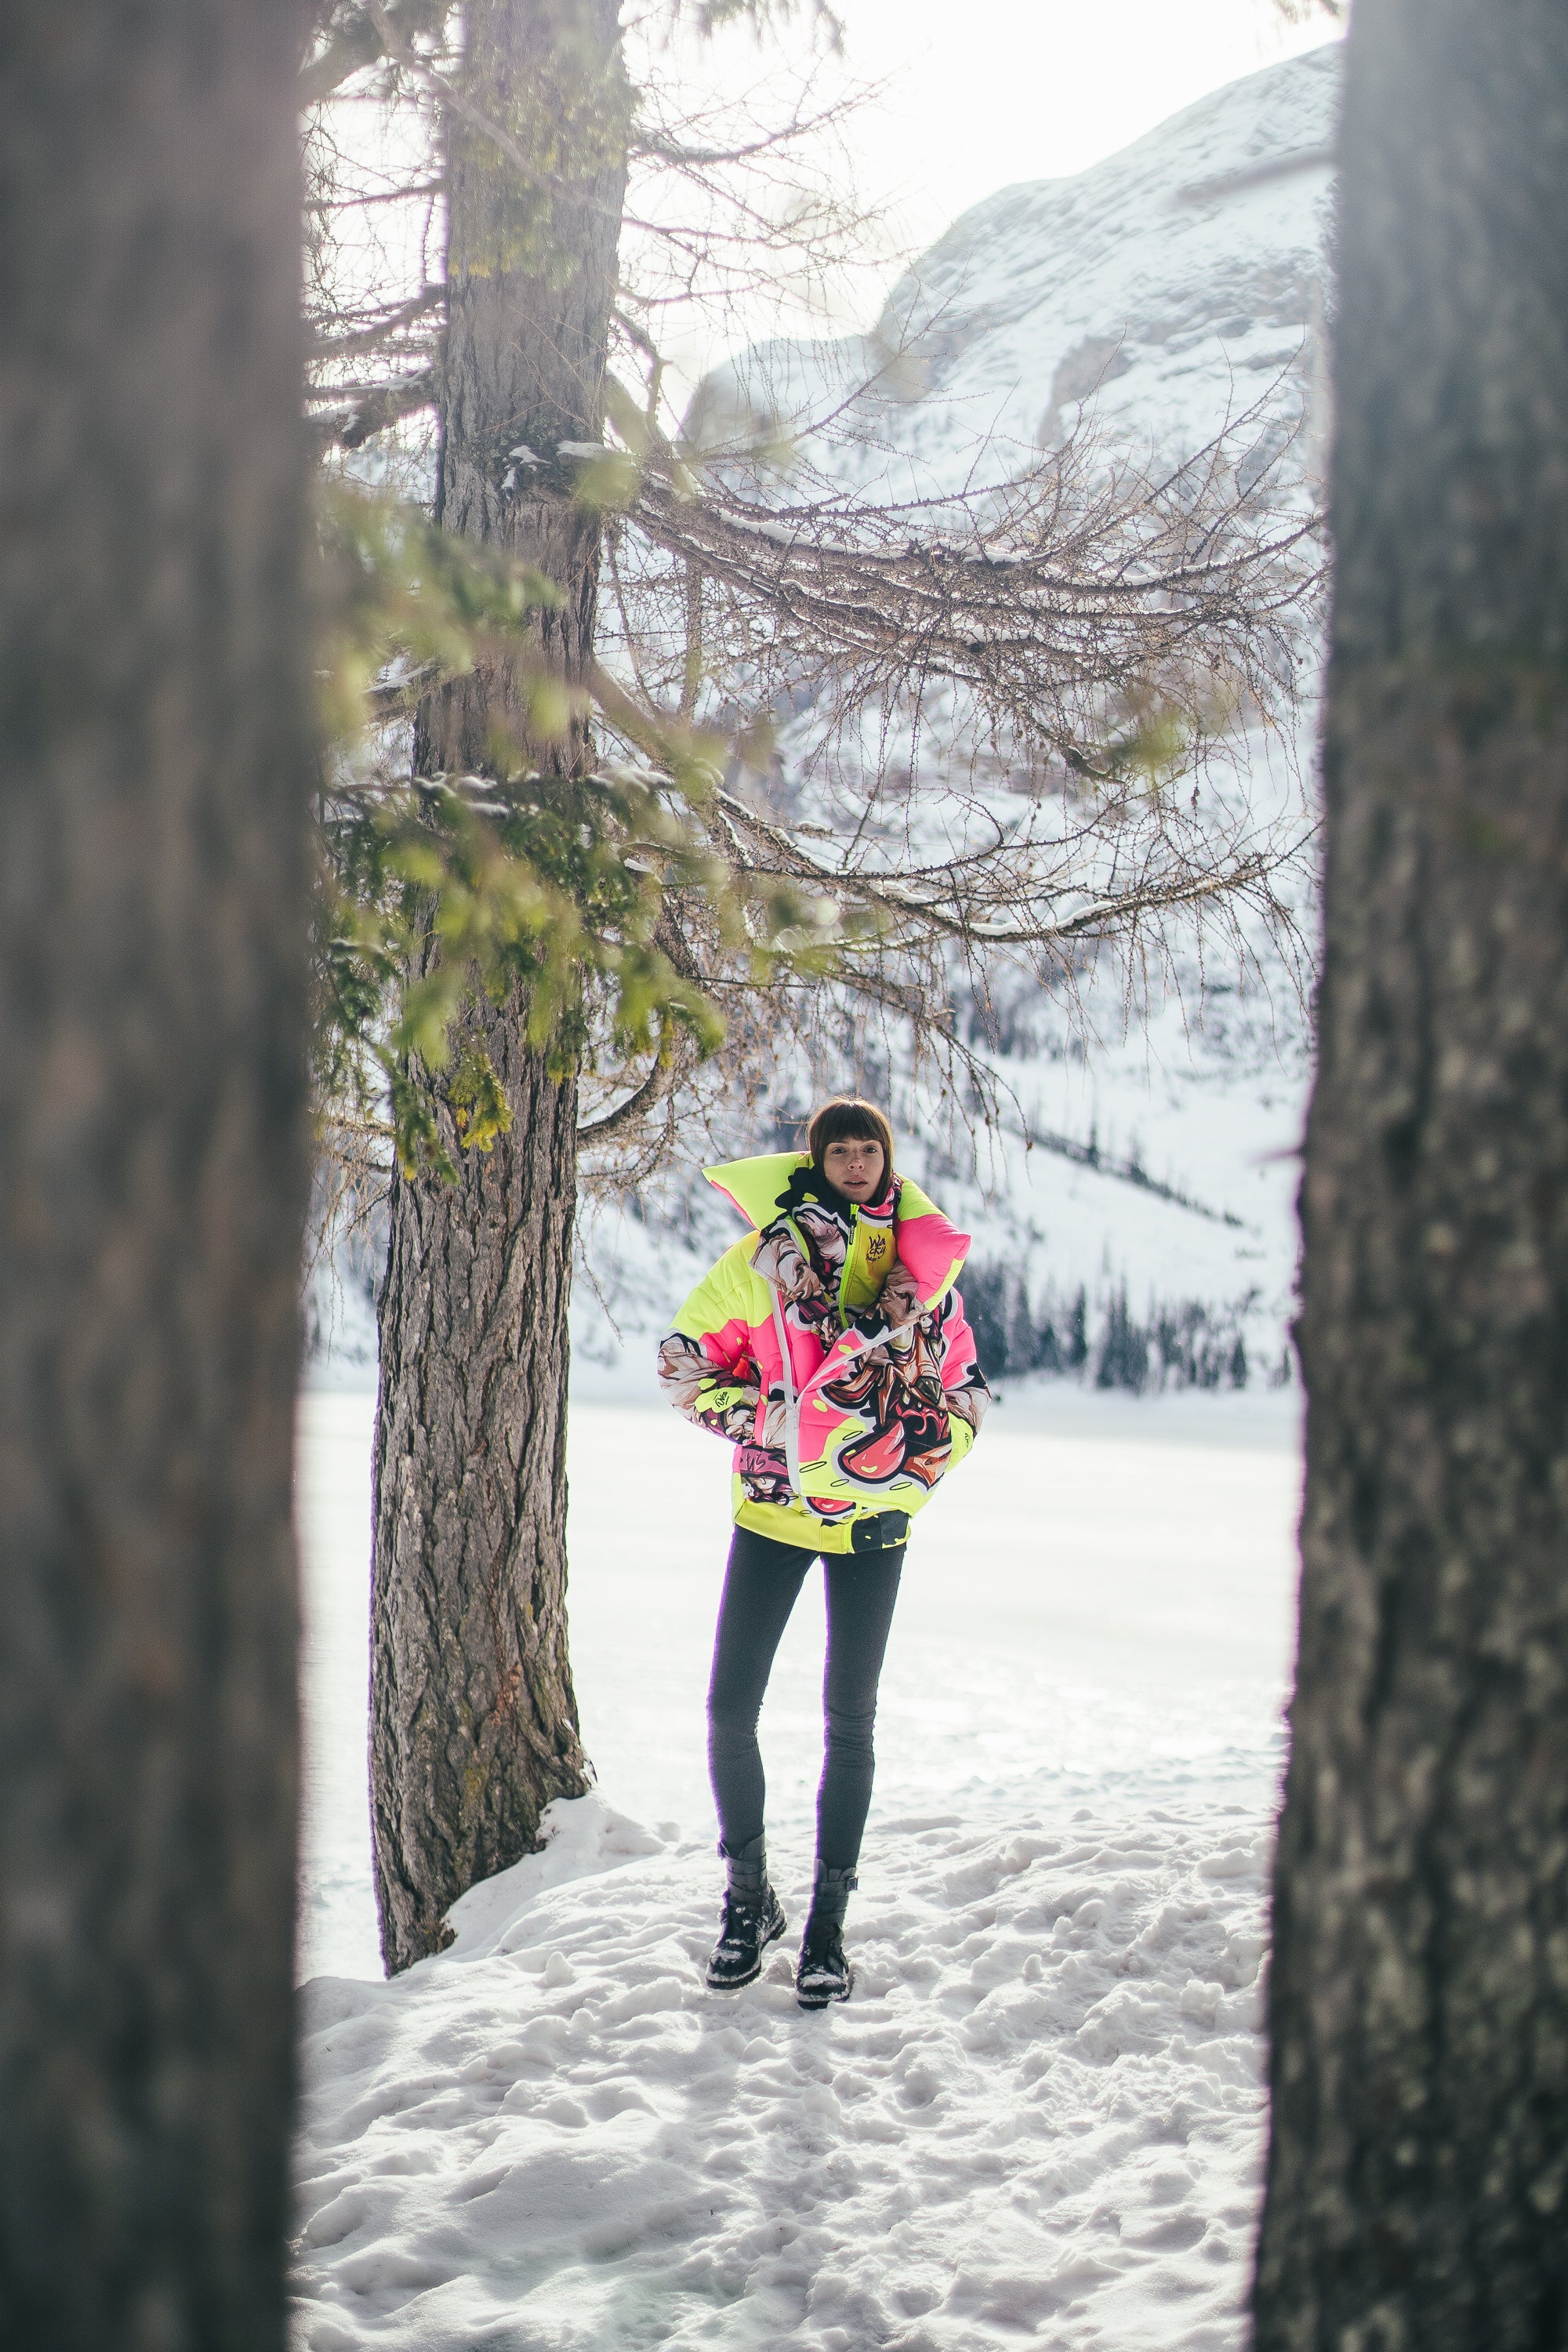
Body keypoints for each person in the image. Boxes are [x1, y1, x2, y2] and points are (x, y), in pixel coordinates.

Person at [657, 1098, 990, 2009]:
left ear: (888, 1160)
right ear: (815, 1162)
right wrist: (761, 1425)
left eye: (867, 1148)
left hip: (874, 1522)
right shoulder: (758, 1270)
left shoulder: (926, 1284)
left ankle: (826, 1931)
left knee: (850, 1720)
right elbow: (681, 1364)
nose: (854, 1162)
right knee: (730, 1710)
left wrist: (924, 1457)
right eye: (837, 1150)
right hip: (771, 1513)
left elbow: (968, 1393)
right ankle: (747, 1901)